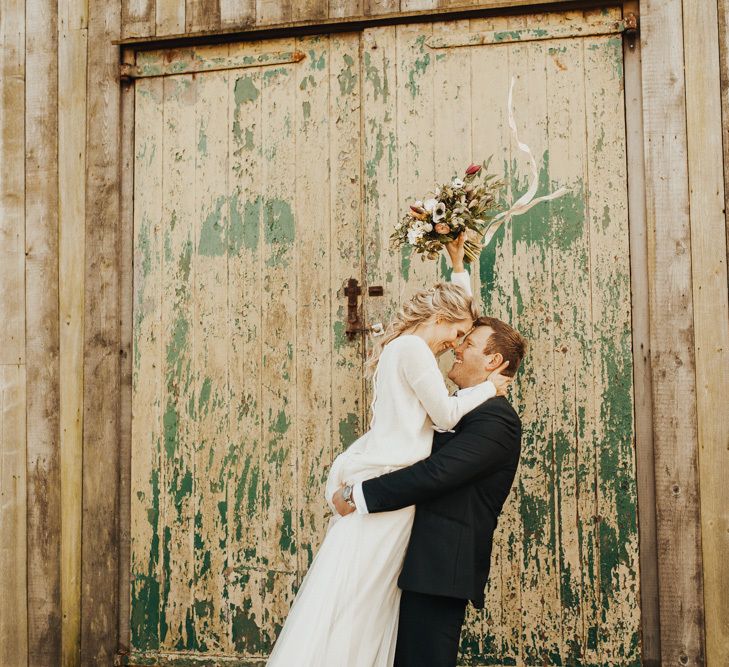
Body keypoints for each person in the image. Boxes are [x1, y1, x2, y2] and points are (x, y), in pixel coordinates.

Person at [266, 235, 511, 666]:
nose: (457, 344)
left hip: (417, 532)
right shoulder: (415, 351)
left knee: (365, 610)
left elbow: (460, 321)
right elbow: (448, 416)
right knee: (359, 608)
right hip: (389, 501)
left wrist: (459, 270)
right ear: (440, 319)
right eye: (457, 335)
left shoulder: (422, 359)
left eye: (465, 342)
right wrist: (489, 387)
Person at [332, 314, 527, 667]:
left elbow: (435, 474)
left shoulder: (497, 421)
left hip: (438, 571)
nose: (456, 346)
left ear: (493, 361)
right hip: (410, 563)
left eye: (468, 344)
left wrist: (359, 496)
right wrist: (457, 261)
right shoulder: (459, 411)